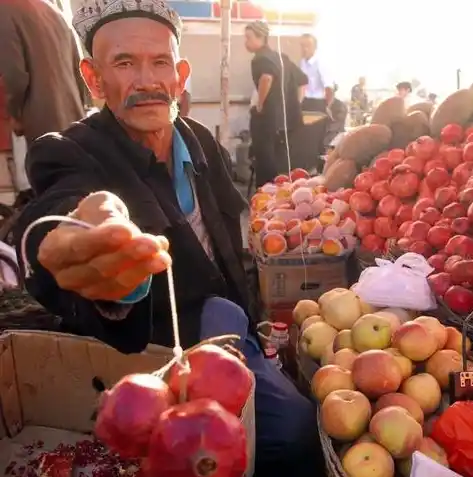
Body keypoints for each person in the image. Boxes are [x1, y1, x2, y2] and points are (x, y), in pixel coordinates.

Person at [14, 1, 322, 475]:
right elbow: (55, 216)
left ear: (179, 75)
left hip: (230, 322)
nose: (147, 81)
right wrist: (81, 245)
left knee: (293, 430)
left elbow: (226, 241)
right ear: (93, 79)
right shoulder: (69, 150)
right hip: (159, 345)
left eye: (160, 62)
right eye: (124, 63)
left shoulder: (198, 137)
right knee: (294, 427)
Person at [0, 0, 86, 145]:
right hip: (75, 122)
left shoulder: (5, 10)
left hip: (41, 127)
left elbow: (15, 76)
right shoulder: (55, 12)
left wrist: (15, 115)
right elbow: (78, 71)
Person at [244, 21, 308, 187]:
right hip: (287, 121)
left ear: (262, 38)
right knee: (283, 162)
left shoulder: (259, 59)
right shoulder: (282, 58)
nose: (246, 42)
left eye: (249, 38)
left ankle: (265, 198)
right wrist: (295, 104)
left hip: (267, 118)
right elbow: (303, 81)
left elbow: (267, 78)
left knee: (265, 162)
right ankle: (282, 196)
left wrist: (259, 105)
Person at [299, 33, 333, 113]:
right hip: (304, 102)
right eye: (302, 46)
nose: (305, 49)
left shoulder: (320, 63)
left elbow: (329, 88)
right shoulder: (302, 62)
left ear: (315, 48)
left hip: (317, 102)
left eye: (308, 46)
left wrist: (326, 106)